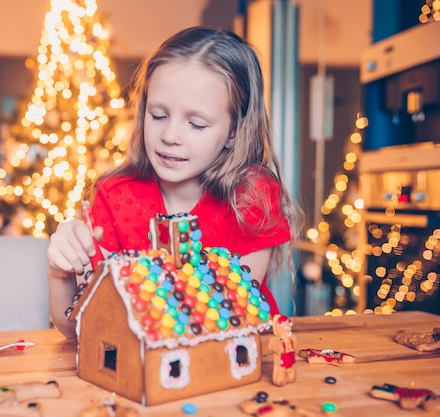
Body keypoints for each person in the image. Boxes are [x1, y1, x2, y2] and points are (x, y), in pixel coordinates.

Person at [47, 26, 299, 338]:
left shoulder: (252, 195)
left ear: (234, 131)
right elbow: (76, 326)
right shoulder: (113, 197)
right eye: (158, 115)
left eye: (196, 124)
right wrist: (60, 271)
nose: (170, 136)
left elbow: (231, 316)